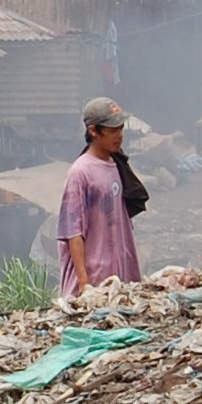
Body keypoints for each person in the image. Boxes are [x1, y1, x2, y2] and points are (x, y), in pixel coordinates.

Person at [57, 98, 145, 299]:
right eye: (113, 130)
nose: (120, 136)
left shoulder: (117, 165)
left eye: (121, 129)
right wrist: (84, 283)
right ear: (94, 131)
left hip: (118, 276)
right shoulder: (80, 172)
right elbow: (73, 231)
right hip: (95, 278)